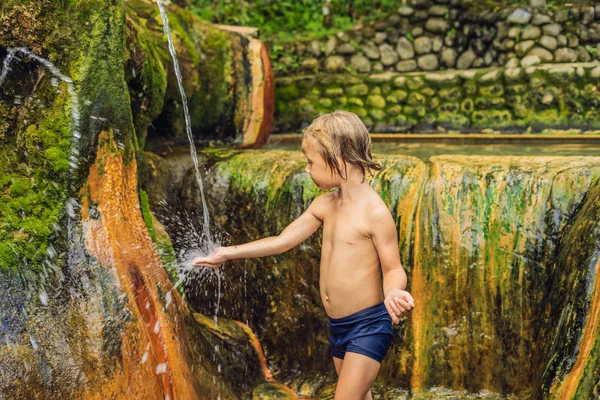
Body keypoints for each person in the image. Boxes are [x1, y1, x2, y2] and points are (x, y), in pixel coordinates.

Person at [193, 110, 415, 400]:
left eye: (311, 162)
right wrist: (226, 253)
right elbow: (281, 241)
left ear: (337, 158)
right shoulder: (325, 204)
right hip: (339, 326)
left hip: (369, 325)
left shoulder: (375, 214)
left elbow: (393, 269)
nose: (307, 170)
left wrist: (393, 293)